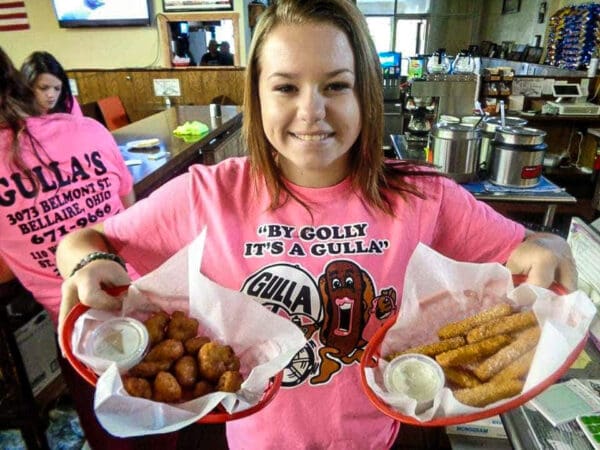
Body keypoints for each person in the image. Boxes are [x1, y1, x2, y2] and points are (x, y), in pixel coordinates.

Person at [55, 1, 577, 449]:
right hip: (257, 438)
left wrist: (548, 246)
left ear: (364, 93)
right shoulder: (206, 193)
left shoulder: (423, 193)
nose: (312, 111)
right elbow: (86, 240)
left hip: (379, 435)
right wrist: (88, 262)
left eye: (336, 85)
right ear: (256, 96)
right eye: (285, 87)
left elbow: (526, 250)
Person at [0, 47, 182, 450]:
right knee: (165, 423)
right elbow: (130, 213)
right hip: (149, 304)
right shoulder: (88, 130)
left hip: (83, 336)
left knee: (112, 438)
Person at [20, 51, 83, 115]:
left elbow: (80, 123)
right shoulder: (19, 110)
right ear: (28, 86)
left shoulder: (67, 102)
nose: (51, 95)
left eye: (57, 88)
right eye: (43, 88)